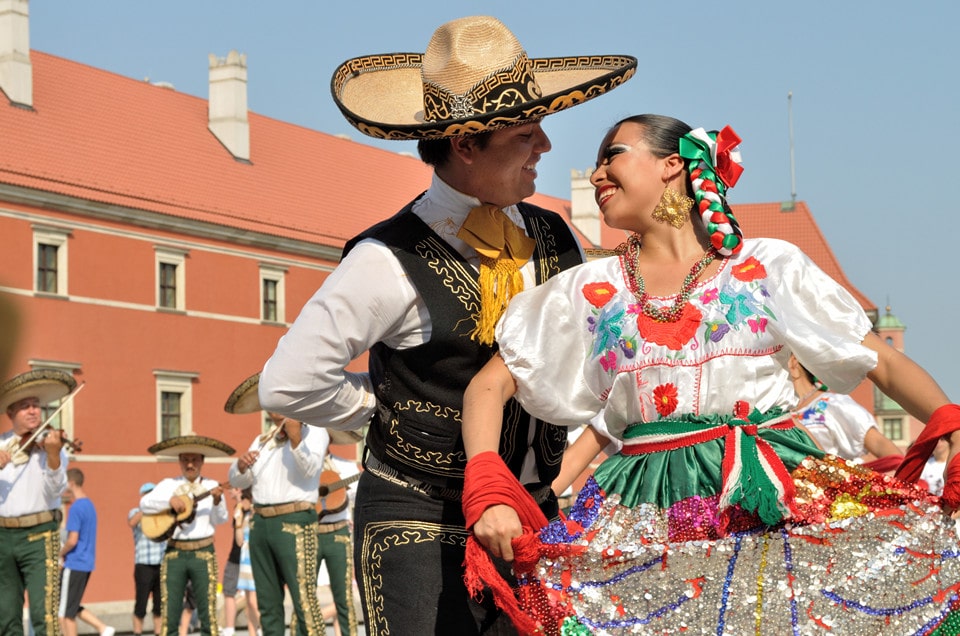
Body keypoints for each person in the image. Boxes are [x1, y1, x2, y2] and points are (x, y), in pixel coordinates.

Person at [460, 113, 960, 634]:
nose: (597, 174)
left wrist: (953, 425)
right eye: (596, 163)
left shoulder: (764, 266)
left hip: (767, 494)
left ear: (672, 165)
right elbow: (488, 385)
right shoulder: (589, 290)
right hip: (645, 508)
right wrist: (488, 485)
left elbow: (883, 361)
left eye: (613, 155)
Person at [258, 15, 636, 634]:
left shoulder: (553, 235)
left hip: (535, 514)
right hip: (419, 521)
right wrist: (386, 413)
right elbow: (288, 383)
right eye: (525, 134)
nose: (544, 146)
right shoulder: (384, 259)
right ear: (464, 144)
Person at [225, 374, 326, 636]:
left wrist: (295, 440)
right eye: (268, 404)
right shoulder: (262, 442)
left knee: (304, 599)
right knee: (268, 604)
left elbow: (311, 469)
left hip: (294, 521)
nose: (272, 410)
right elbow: (236, 479)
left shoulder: (314, 432)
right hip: (260, 524)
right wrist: (240, 465)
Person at [0, 368, 75, 636]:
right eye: (24, 407)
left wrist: (53, 456)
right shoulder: (1, 445)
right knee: (6, 615)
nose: (33, 411)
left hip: (39, 535)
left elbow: (56, 488)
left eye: (36, 406)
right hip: (2, 535)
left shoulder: (51, 445)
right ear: (10, 414)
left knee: (44, 615)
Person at [139, 435, 233, 636]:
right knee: (170, 609)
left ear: (202, 461)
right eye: (185, 459)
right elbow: (144, 504)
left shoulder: (213, 485)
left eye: (195, 459)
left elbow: (221, 519)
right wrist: (169, 501)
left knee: (208, 610)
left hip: (203, 552)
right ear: (179, 461)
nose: (190, 464)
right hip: (175, 552)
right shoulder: (167, 485)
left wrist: (217, 501)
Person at [788, 353, 903, 461]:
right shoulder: (778, 412)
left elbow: (880, 445)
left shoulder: (833, 404)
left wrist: (905, 480)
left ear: (794, 362)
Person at [58, 468, 114, 636]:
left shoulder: (75, 508)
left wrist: (60, 553)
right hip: (86, 562)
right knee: (71, 606)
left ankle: (103, 628)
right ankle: (103, 628)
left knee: (64, 615)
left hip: (74, 562)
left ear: (71, 483)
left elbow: (72, 539)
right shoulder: (90, 505)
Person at [315, 451, 361, 636]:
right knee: (303, 592)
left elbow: (360, 493)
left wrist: (343, 490)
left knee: (344, 596)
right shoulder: (304, 464)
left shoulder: (347, 467)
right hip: (310, 532)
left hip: (338, 532)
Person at [221, 487, 260, 636]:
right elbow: (239, 541)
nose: (241, 502)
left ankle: (265, 629)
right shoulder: (242, 515)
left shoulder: (256, 513)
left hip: (254, 560)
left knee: (253, 602)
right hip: (243, 560)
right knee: (249, 603)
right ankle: (252, 632)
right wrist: (238, 522)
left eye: (244, 499)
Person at [129, 482, 165, 636]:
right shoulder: (136, 511)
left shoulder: (163, 513)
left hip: (161, 562)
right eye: (148, 493)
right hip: (143, 564)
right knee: (141, 603)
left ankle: (158, 632)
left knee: (159, 604)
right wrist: (146, 507)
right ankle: (138, 632)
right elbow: (132, 522)